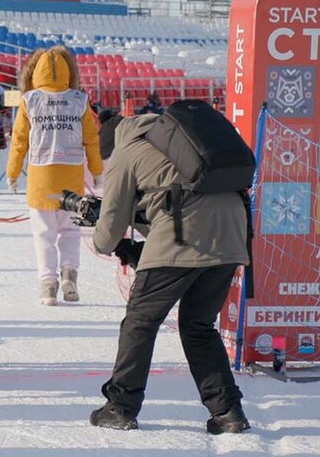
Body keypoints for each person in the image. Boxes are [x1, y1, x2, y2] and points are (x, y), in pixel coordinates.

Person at [89, 113, 250, 433]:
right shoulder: (178, 138)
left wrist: (98, 240)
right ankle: (228, 412)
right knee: (199, 326)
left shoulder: (127, 149)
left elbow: (109, 230)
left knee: (140, 322)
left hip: (183, 239)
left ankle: (120, 406)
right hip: (233, 234)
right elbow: (175, 200)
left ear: (111, 142)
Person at [5, 46, 103, 306]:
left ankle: (48, 284)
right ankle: (70, 272)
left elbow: (19, 142)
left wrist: (13, 172)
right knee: (70, 230)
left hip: (41, 179)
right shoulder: (79, 100)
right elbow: (91, 140)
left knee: (44, 234)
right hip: (71, 177)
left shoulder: (30, 100)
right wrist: (97, 170)